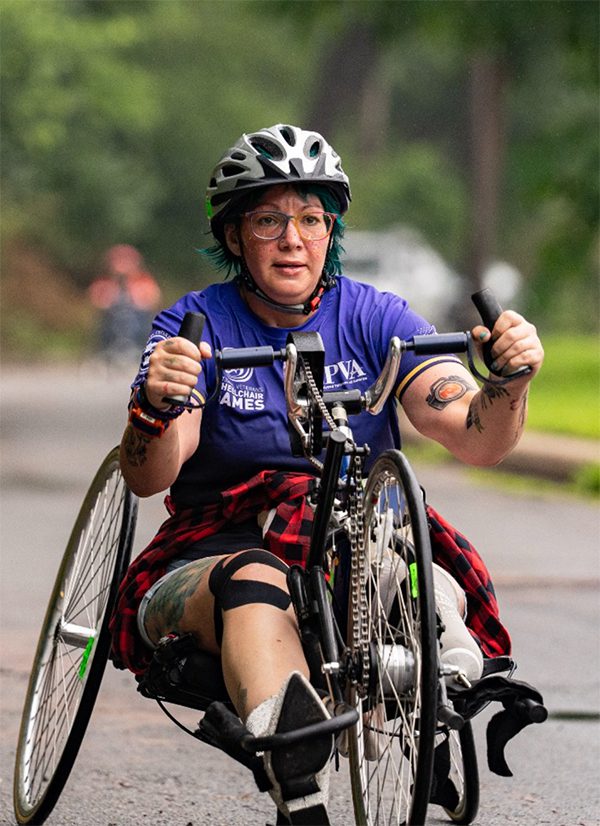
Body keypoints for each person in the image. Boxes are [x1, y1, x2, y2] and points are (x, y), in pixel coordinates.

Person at [109, 124, 544, 822]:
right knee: (259, 576)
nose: (293, 238)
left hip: (357, 554)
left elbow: (474, 434)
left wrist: (511, 381)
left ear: (331, 230)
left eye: (311, 219)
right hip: (215, 563)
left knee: (409, 557)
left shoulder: (377, 318)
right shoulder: (193, 326)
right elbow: (150, 474)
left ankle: (445, 670)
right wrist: (157, 402)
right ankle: (293, 754)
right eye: (269, 219)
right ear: (233, 237)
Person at [88, 244, 161, 364]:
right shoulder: (105, 281)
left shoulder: (143, 280)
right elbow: (95, 299)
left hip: (138, 323)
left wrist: (136, 296)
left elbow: (153, 299)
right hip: (111, 322)